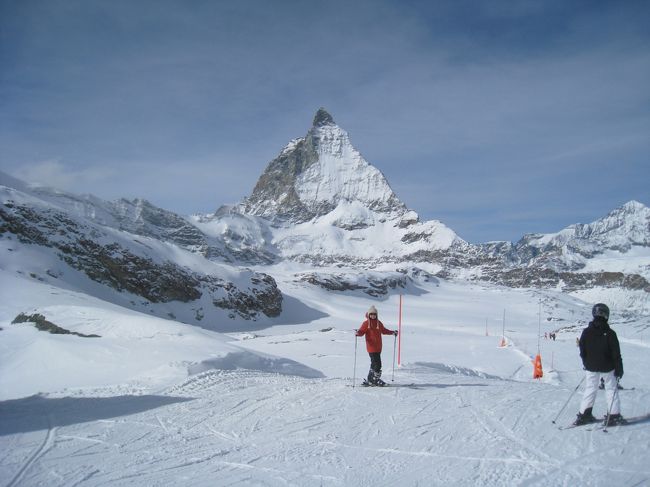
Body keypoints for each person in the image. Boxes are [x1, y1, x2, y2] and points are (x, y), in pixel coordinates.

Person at [573, 303, 625, 426]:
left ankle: (584, 414)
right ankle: (614, 416)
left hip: (591, 366)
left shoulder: (586, 332)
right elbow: (616, 353)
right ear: (606, 315)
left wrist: (586, 363)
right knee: (611, 389)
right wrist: (619, 369)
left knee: (590, 388)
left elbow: (582, 350)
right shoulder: (610, 333)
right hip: (608, 367)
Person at [356, 305, 397, 386]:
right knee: (378, 364)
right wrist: (358, 333)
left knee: (374, 364)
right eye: (371, 314)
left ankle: (370, 379)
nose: (373, 316)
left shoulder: (379, 323)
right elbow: (361, 331)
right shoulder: (366, 323)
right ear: (369, 314)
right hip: (371, 347)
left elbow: (384, 331)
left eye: (374, 314)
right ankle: (375, 380)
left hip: (378, 347)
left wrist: (392, 332)